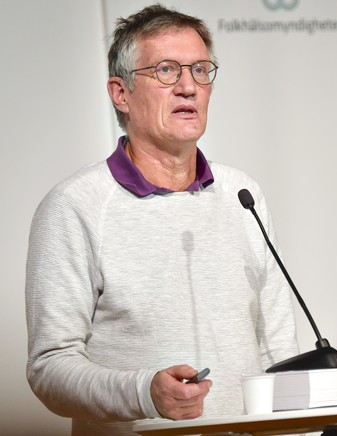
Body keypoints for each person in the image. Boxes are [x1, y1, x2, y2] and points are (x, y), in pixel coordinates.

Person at [25, 4, 299, 435]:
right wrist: (144, 393)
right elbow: (49, 368)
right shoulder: (74, 205)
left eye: (201, 70)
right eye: (167, 70)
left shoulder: (243, 195)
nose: (189, 87)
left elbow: (278, 348)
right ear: (121, 93)